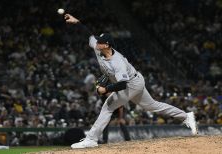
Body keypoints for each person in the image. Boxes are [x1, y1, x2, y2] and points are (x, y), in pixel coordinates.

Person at [64, 14, 198, 149]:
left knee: (108, 106)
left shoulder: (117, 62)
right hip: (135, 80)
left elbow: (123, 84)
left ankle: (91, 139)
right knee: (152, 106)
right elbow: (90, 35)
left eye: (100, 42)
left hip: (131, 83)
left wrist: (105, 89)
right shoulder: (98, 47)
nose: (97, 43)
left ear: (107, 45)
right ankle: (186, 116)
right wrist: (77, 22)